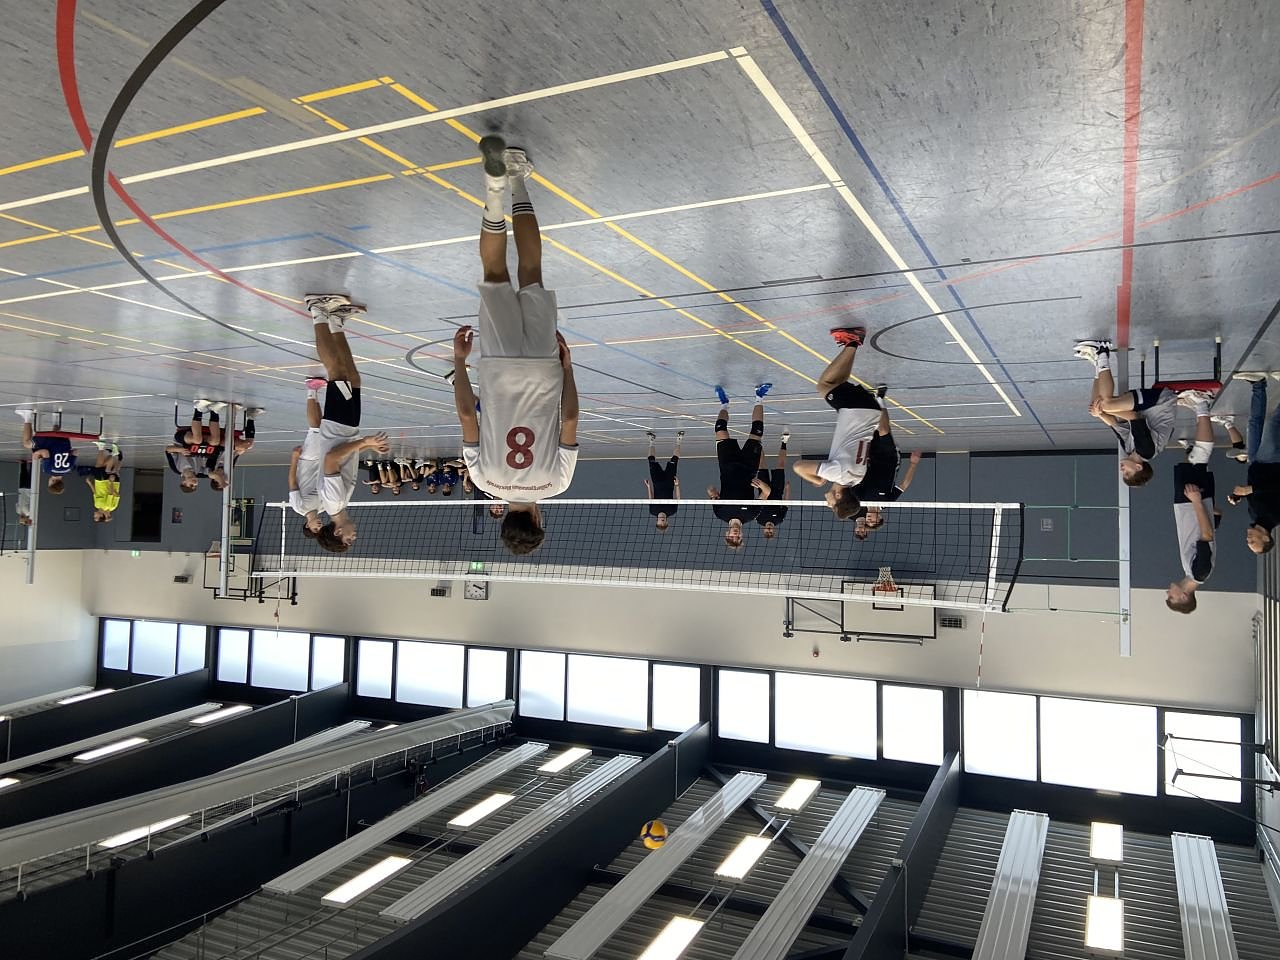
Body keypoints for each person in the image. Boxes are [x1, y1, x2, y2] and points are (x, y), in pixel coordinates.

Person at [453, 137, 579, 555]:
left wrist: (567, 368)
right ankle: (494, 191)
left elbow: (570, 419)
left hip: (543, 369)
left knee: (531, 271)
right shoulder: (483, 480)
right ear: (505, 517)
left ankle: (518, 179)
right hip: (499, 368)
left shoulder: (557, 483)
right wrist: (459, 362)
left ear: (537, 519)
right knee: (494, 272)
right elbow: (467, 415)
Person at [303, 292, 391, 551]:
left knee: (336, 373)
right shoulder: (340, 504)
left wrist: (364, 443)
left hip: (338, 427)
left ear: (338, 532)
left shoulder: (334, 502)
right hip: (347, 429)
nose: (354, 536)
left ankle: (317, 311)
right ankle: (337, 322)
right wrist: (364, 447)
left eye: (349, 539)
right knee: (353, 378)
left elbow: (331, 459)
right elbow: (342, 460)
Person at [792, 327, 882, 518]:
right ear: (838, 495)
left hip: (869, 413)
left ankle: (852, 344)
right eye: (832, 506)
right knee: (824, 385)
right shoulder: (837, 475)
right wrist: (817, 479)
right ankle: (853, 341)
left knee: (836, 382)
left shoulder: (857, 479)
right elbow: (798, 466)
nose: (828, 504)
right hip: (856, 410)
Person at [1074, 339, 1187, 486]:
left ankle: (1097, 362)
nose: (1122, 470)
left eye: (1123, 474)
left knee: (1096, 406)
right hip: (1160, 401)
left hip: (1144, 408)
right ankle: (1102, 349)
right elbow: (1134, 416)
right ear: (1138, 467)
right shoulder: (1146, 450)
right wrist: (1105, 409)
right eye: (1127, 472)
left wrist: (1098, 413)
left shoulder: (1129, 449)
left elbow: (1114, 423)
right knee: (1106, 404)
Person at [1167, 408, 1217, 613]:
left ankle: (1191, 447)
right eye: (1171, 597)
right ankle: (1202, 407)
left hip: (1188, 506)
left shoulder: (1191, 571)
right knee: (1201, 460)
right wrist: (1197, 501)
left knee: (1194, 463)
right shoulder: (1200, 572)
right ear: (1184, 596)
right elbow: (1207, 535)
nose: (1168, 592)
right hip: (1192, 504)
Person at [850, 397, 922, 539]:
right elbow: (903, 485)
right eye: (873, 521)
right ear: (880, 518)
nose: (869, 519)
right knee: (884, 429)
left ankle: (870, 403)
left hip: (871, 459)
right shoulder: (887, 502)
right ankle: (880, 399)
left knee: (871, 428)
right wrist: (913, 464)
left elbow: (852, 482)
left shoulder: (861, 499)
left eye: (868, 521)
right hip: (890, 460)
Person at [707, 386, 770, 549]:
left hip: (727, 465)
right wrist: (761, 485)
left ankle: (724, 403)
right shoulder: (752, 514)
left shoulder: (720, 513)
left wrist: (712, 493)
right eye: (738, 538)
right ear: (742, 535)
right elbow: (767, 493)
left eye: (732, 537)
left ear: (727, 534)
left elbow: (711, 490)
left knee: (720, 428)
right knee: (757, 431)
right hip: (749, 466)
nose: (735, 535)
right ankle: (759, 396)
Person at [1227, 372, 1280, 554]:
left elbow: (1256, 493)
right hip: (1272, 463)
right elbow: (1275, 487)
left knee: (1254, 423)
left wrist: (1239, 496)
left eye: (1248, 542)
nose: (1248, 539)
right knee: (1273, 423)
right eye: (1253, 541)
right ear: (1266, 538)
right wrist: (1250, 490)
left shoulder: (1254, 515)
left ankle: (1258, 385)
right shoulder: (1276, 516)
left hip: (1255, 464)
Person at [289, 377, 327, 534]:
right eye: (320, 527)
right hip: (322, 461)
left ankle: (311, 388)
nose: (319, 525)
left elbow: (292, 483)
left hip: (308, 461)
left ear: (307, 526)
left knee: (315, 428)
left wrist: (294, 458)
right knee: (323, 426)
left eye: (315, 528)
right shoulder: (324, 506)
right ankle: (315, 392)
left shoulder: (299, 507)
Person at [15, 409, 76, 494]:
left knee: (56, 438)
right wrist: (35, 454)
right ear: (53, 482)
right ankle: (27, 416)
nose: (48, 481)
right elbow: (45, 452)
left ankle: (56, 417)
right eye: (49, 483)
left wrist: (64, 452)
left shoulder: (69, 469)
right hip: (50, 442)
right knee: (27, 443)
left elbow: (75, 452)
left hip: (64, 441)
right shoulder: (48, 470)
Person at [644, 429, 685, 532]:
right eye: (664, 523)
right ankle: (679, 440)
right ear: (667, 522)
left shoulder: (653, 511)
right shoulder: (672, 511)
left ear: (657, 522)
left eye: (660, 523)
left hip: (657, 481)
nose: (662, 522)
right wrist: (677, 485)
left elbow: (651, 499)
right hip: (669, 481)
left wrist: (648, 487)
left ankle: (651, 440)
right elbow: (678, 498)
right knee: (674, 459)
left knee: (651, 460)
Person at [754, 429, 791, 539]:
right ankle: (784, 442)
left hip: (763, 488)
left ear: (764, 530)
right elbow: (785, 504)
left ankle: (758, 442)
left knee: (761, 464)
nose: (769, 530)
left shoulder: (759, 519)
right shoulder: (779, 519)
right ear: (774, 531)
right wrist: (787, 489)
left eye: (767, 532)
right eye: (771, 533)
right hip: (777, 489)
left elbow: (756, 503)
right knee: (781, 464)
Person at [83, 441, 123, 523]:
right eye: (96, 517)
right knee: (100, 467)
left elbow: (95, 493)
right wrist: (111, 482)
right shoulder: (107, 506)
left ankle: (112, 453)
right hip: (104, 483)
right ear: (101, 515)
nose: (94, 515)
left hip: (98, 483)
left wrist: (90, 483)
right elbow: (111, 493)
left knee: (101, 466)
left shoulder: (97, 505)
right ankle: (109, 452)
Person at [16, 460, 33, 526]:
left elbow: (17, 503)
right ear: (25, 520)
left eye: (20, 520)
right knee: (30, 476)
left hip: (21, 490)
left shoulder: (18, 511)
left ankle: (23, 463)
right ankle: (31, 463)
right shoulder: (28, 512)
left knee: (22, 475)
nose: (21, 519)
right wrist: (29, 522)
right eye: (22, 520)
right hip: (28, 490)